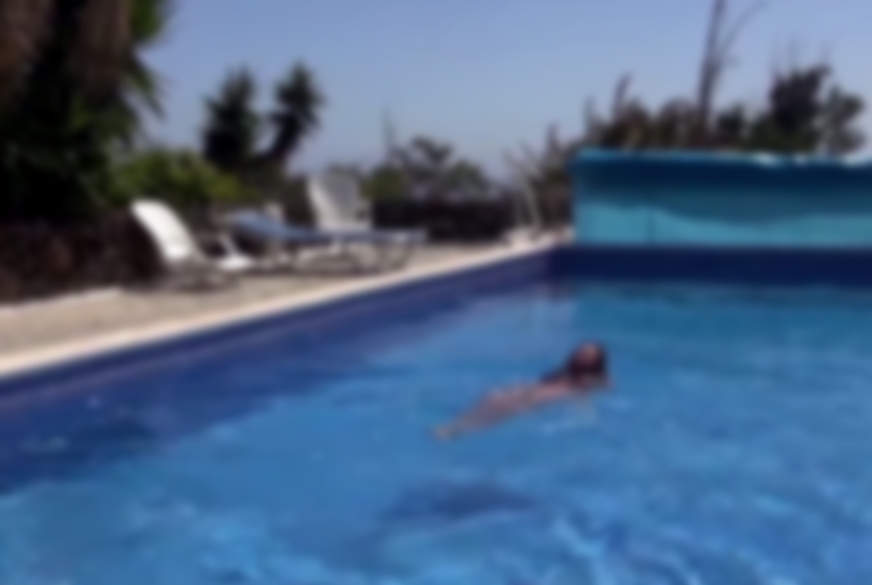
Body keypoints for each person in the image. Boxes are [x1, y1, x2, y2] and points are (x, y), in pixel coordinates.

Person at [435, 342, 610, 440]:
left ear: (596, 360)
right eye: (581, 351)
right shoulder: (565, 370)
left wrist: (586, 390)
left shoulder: (597, 377)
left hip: (547, 397)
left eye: (587, 354)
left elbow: (600, 388)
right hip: (536, 389)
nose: (581, 355)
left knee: (507, 408)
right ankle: (457, 424)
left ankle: (460, 431)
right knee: (493, 397)